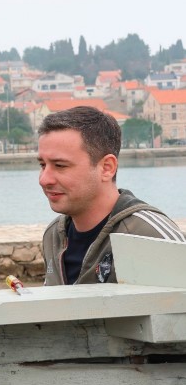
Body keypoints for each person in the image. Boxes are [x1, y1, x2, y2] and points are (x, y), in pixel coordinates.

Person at [37, 105, 185, 286]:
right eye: (43, 165)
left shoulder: (148, 234)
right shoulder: (53, 236)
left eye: (60, 165)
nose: (44, 179)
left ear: (107, 168)